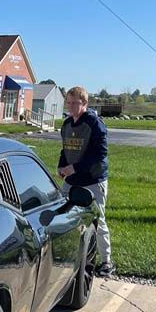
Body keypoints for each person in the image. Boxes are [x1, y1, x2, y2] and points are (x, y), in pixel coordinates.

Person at [57, 86, 113, 277]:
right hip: (72, 180)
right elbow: (65, 149)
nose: (71, 106)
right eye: (69, 102)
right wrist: (62, 166)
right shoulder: (66, 124)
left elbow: (100, 154)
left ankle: (106, 261)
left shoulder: (95, 124)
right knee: (61, 213)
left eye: (75, 103)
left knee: (98, 219)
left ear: (85, 104)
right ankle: (64, 255)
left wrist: (76, 167)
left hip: (93, 180)